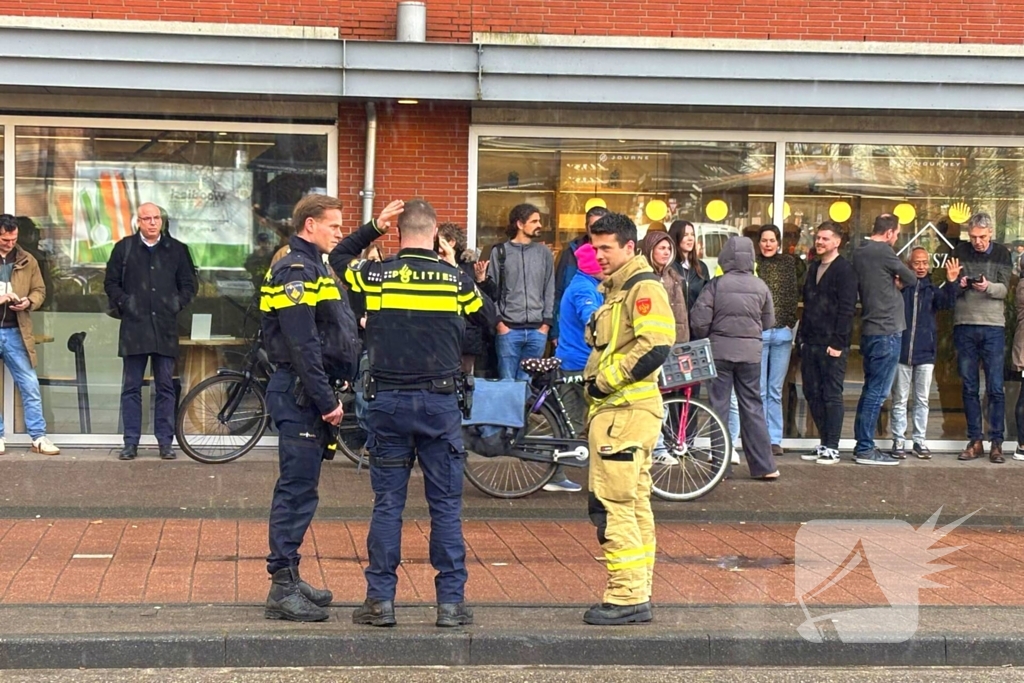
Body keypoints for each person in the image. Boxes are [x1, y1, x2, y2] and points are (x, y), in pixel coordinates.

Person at [333, 199, 489, 629]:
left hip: (388, 403)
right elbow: (488, 319)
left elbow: (338, 256)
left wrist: (371, 228)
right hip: (439, 404)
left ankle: (380, 601)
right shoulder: (454, 280)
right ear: (437, 232)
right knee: (444, 506)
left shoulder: (376, 274)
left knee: (388, 505)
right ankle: (451, 604)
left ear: (398, 232)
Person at [260, 194, 385, 622]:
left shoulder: (316, 264)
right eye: (333, 225)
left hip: (308, 394)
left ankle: (290, 576)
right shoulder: (296, 268)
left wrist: (374, 227)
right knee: (295, 491)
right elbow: (302, 344)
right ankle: (281, 584)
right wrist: (326, 400)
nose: (338, 232)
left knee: (304, 490)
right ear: (309, 225)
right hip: (301, 395)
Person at [582, 212, 673, 627]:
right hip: (623, 414)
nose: (598, 255)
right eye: (594, 246)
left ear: (629, 247)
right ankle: (638, 589)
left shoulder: (642, 287)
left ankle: (626, 596)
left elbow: (656, 344)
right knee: (633, 505)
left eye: (606, 248)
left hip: (623, 412)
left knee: (612, 505)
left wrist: (605, 382)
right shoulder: (618, 289)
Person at [104, 202, 196, 461]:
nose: (153, 222)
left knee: (166, 386)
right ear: (138, 222)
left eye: (156, 218)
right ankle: (130, 442)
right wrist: (126, 301)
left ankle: (165, 442)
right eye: (147, 218)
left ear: (162, 221)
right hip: (134, 327)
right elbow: (110, 282)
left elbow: (189, 284)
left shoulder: (177, 250)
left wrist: (175, 303)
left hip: (165, 327)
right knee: (131, 387)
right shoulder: (124, 248)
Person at [690, 236, 778, 481]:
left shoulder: (716, 285)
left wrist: (712, 334)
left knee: (719, 408)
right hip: (750, 356)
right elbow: (769, 321)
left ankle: (720, 467)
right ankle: (764, 466)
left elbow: (699, 321)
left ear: (725, 257)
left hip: (719, 353)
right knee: (753, 407)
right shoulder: (761, 286)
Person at [850, 214, 919, 466]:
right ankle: (865, 448)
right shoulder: (883, 251)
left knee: (870, 389)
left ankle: (862, 444)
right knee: (878, 392)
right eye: (897, 233)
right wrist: (897, 283)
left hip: (870, 327)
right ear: (890, 232)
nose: (896, 238)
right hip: (887, 329)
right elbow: (911, 278)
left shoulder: (860, 251)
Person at [952, 211, 1013, 463]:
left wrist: (986, 286)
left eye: (982, 236)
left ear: (991, 234)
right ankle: (975, 440)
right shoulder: (959, 251)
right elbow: (950, 286)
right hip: (964, 323)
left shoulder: (1002, 253)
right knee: (969, 387)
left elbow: (1004, 289)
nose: (977, 241)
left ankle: (996, 442)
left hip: (992, 326)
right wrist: (960, 282)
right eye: (973, 236)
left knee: (995, 387)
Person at [890, 247, 959, 460]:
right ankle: (898, 440)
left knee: (922, 399)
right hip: (902, 352)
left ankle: (919, 441)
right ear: (909, 265)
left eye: (924, 263)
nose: (921, 267)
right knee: (900, 399)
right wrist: (896, 288)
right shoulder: (902, 288)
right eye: (916, 263)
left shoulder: (932, 290)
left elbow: (948, 303)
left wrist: (951, 282)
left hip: (926, 353)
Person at [798, 222, 858, 465]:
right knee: (812, 392)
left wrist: (838, 342)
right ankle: (824, 442)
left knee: (831, 394)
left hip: (831, 344)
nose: (819, 242)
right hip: (810, 342)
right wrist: (801, 339)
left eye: (824, 238)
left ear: (837, 242)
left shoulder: (845, 270)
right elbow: (809, 305)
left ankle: (832, 445)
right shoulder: (813, 268)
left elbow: (846, 310)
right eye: (818, 238)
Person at [0, 215, 59, 456]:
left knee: (30, 384)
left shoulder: (27, 259)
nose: (9, 243)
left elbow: (40, 290)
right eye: (5, 239)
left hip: (16, 330)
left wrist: (29, 301)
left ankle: (38, 436)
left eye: (13, 239)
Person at [482, 204, 555, 383]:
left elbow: (549, 288)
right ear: (520, 224)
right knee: (506, 383)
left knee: (527, 384)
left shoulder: (544, 253)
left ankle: (525, 413)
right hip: (508, 329)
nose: (539, 225)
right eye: (534, 221)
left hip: (537, 330)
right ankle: (510, 413)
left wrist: (545, 324)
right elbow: (492, 292)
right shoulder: (500, 252)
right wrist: (499, 323)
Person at [755, 224, 800, 457]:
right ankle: (760, 437)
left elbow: (793, 293)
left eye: (772, 240)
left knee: (774, 389)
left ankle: (774, 438)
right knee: (759, 389)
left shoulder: (788, 263)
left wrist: (789, 321)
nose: (768, 244)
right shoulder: (754, 264)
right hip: (760, 333)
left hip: (781, 333)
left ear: (779, 242)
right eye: (764, 240)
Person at [554, 243, 604, 438]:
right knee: (596, 416)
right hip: (581, 362)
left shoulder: (582, 283)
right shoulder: (584, 289)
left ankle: (560, 465)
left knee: (571, 422)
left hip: (570, 359)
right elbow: (591, 320)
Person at [437, 222, 495, 375]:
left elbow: (487, 301)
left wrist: (481, 280)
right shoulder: (434, 265)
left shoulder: (470, 267)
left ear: (451, 242)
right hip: (443, 334)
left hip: (467, 334)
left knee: (465, 376)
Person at [552, 205, 609, 344]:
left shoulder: (614, 252)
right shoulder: (571, 252)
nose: (598, 230)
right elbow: (558, 291)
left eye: (602, 226)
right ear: (586, 226)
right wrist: (555, 331)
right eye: (594, 226)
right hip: (577, 328)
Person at [638, 231, 690, 344]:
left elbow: (682, 317)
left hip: (676, 345)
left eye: (669, 249)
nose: (666, 252)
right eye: (662, 248)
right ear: (651, 250)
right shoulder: (642, 277)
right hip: (652, 345)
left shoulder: (674, 277)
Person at [668, 220, 710, 313]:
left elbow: (707, 299)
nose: (690, 238)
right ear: (676, 237)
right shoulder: (668, 266)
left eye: (692, 234)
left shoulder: (702, 267)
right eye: (685, 235)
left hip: (696, 324)